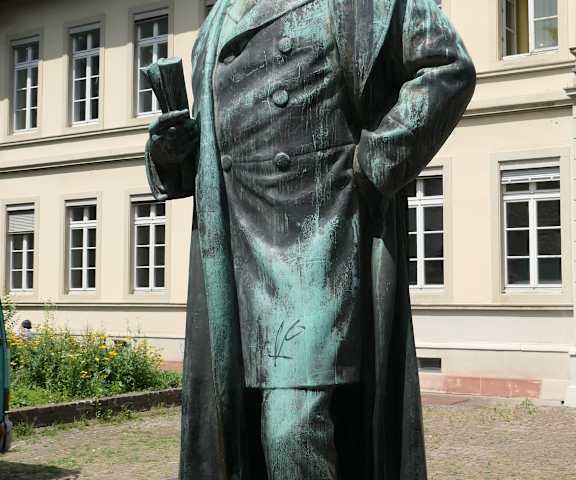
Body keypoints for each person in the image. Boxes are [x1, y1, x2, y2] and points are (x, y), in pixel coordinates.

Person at [145, 0, 475, 478]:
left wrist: (376, 160)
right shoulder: (219, 19)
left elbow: (448, 68)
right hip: (238, 249)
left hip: (320, 238)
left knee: (291, 429)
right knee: (241, 428)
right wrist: (169, 151)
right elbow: (216, 145)